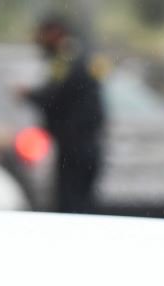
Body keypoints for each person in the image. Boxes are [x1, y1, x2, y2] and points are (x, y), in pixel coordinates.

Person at [24, 13, 105, 214]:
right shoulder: (74, 55)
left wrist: (29, 94)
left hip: (76, 146)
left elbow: (56, 93)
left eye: (42, 34)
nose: (39, 40)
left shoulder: (66, 57)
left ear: (54, 33)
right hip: (80, 145)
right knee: (79, 205)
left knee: (72, 206)